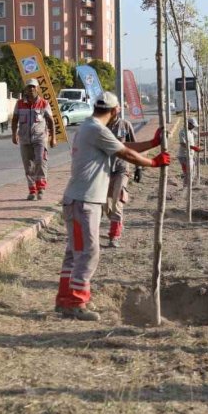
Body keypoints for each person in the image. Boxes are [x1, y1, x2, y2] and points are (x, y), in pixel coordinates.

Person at [56, 92, 170, 321]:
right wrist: (152, 162)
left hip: (79, 199)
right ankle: (76, 303)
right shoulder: (96, 129)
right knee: (88, 252)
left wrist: (152, 143)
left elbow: (122, 145)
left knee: (74, 254)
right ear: (116, 110)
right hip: (84, 202)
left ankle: (66, 299)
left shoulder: (90, 127)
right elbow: (125, 153)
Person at [12, 78, 56, 200]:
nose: (31, 89)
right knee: (28, 165)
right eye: (29, 87)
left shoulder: (44, 103)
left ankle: (41, 188)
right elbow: (15, 120)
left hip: (40, 138)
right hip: (24, 139)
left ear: (37, 88)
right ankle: (32, 190)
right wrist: (14, 134)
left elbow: (51, 121)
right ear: (26, 89)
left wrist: (53, 138)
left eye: (33, 86)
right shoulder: (20, 103)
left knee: (40, 161)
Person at [105, 111, 137, 248]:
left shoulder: (125, 125)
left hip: (121, 169)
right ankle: (118, 222)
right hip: (104, 170)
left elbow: (134, 146)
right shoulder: (100, 126)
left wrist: (138, 167)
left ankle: (114, 236)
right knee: (105, 205)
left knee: (117, 202)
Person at [177, 117, 208, 183]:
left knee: (191, 173)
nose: (194, 127)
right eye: (193, 125)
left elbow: (199, 134)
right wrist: (194, 148)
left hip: (190, 155)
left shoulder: (191, 131)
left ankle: (188, 186)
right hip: (184, 156)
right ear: (188, 124)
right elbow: (183, 144)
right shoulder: (182, 132)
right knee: (188, 174)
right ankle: (186, 186)